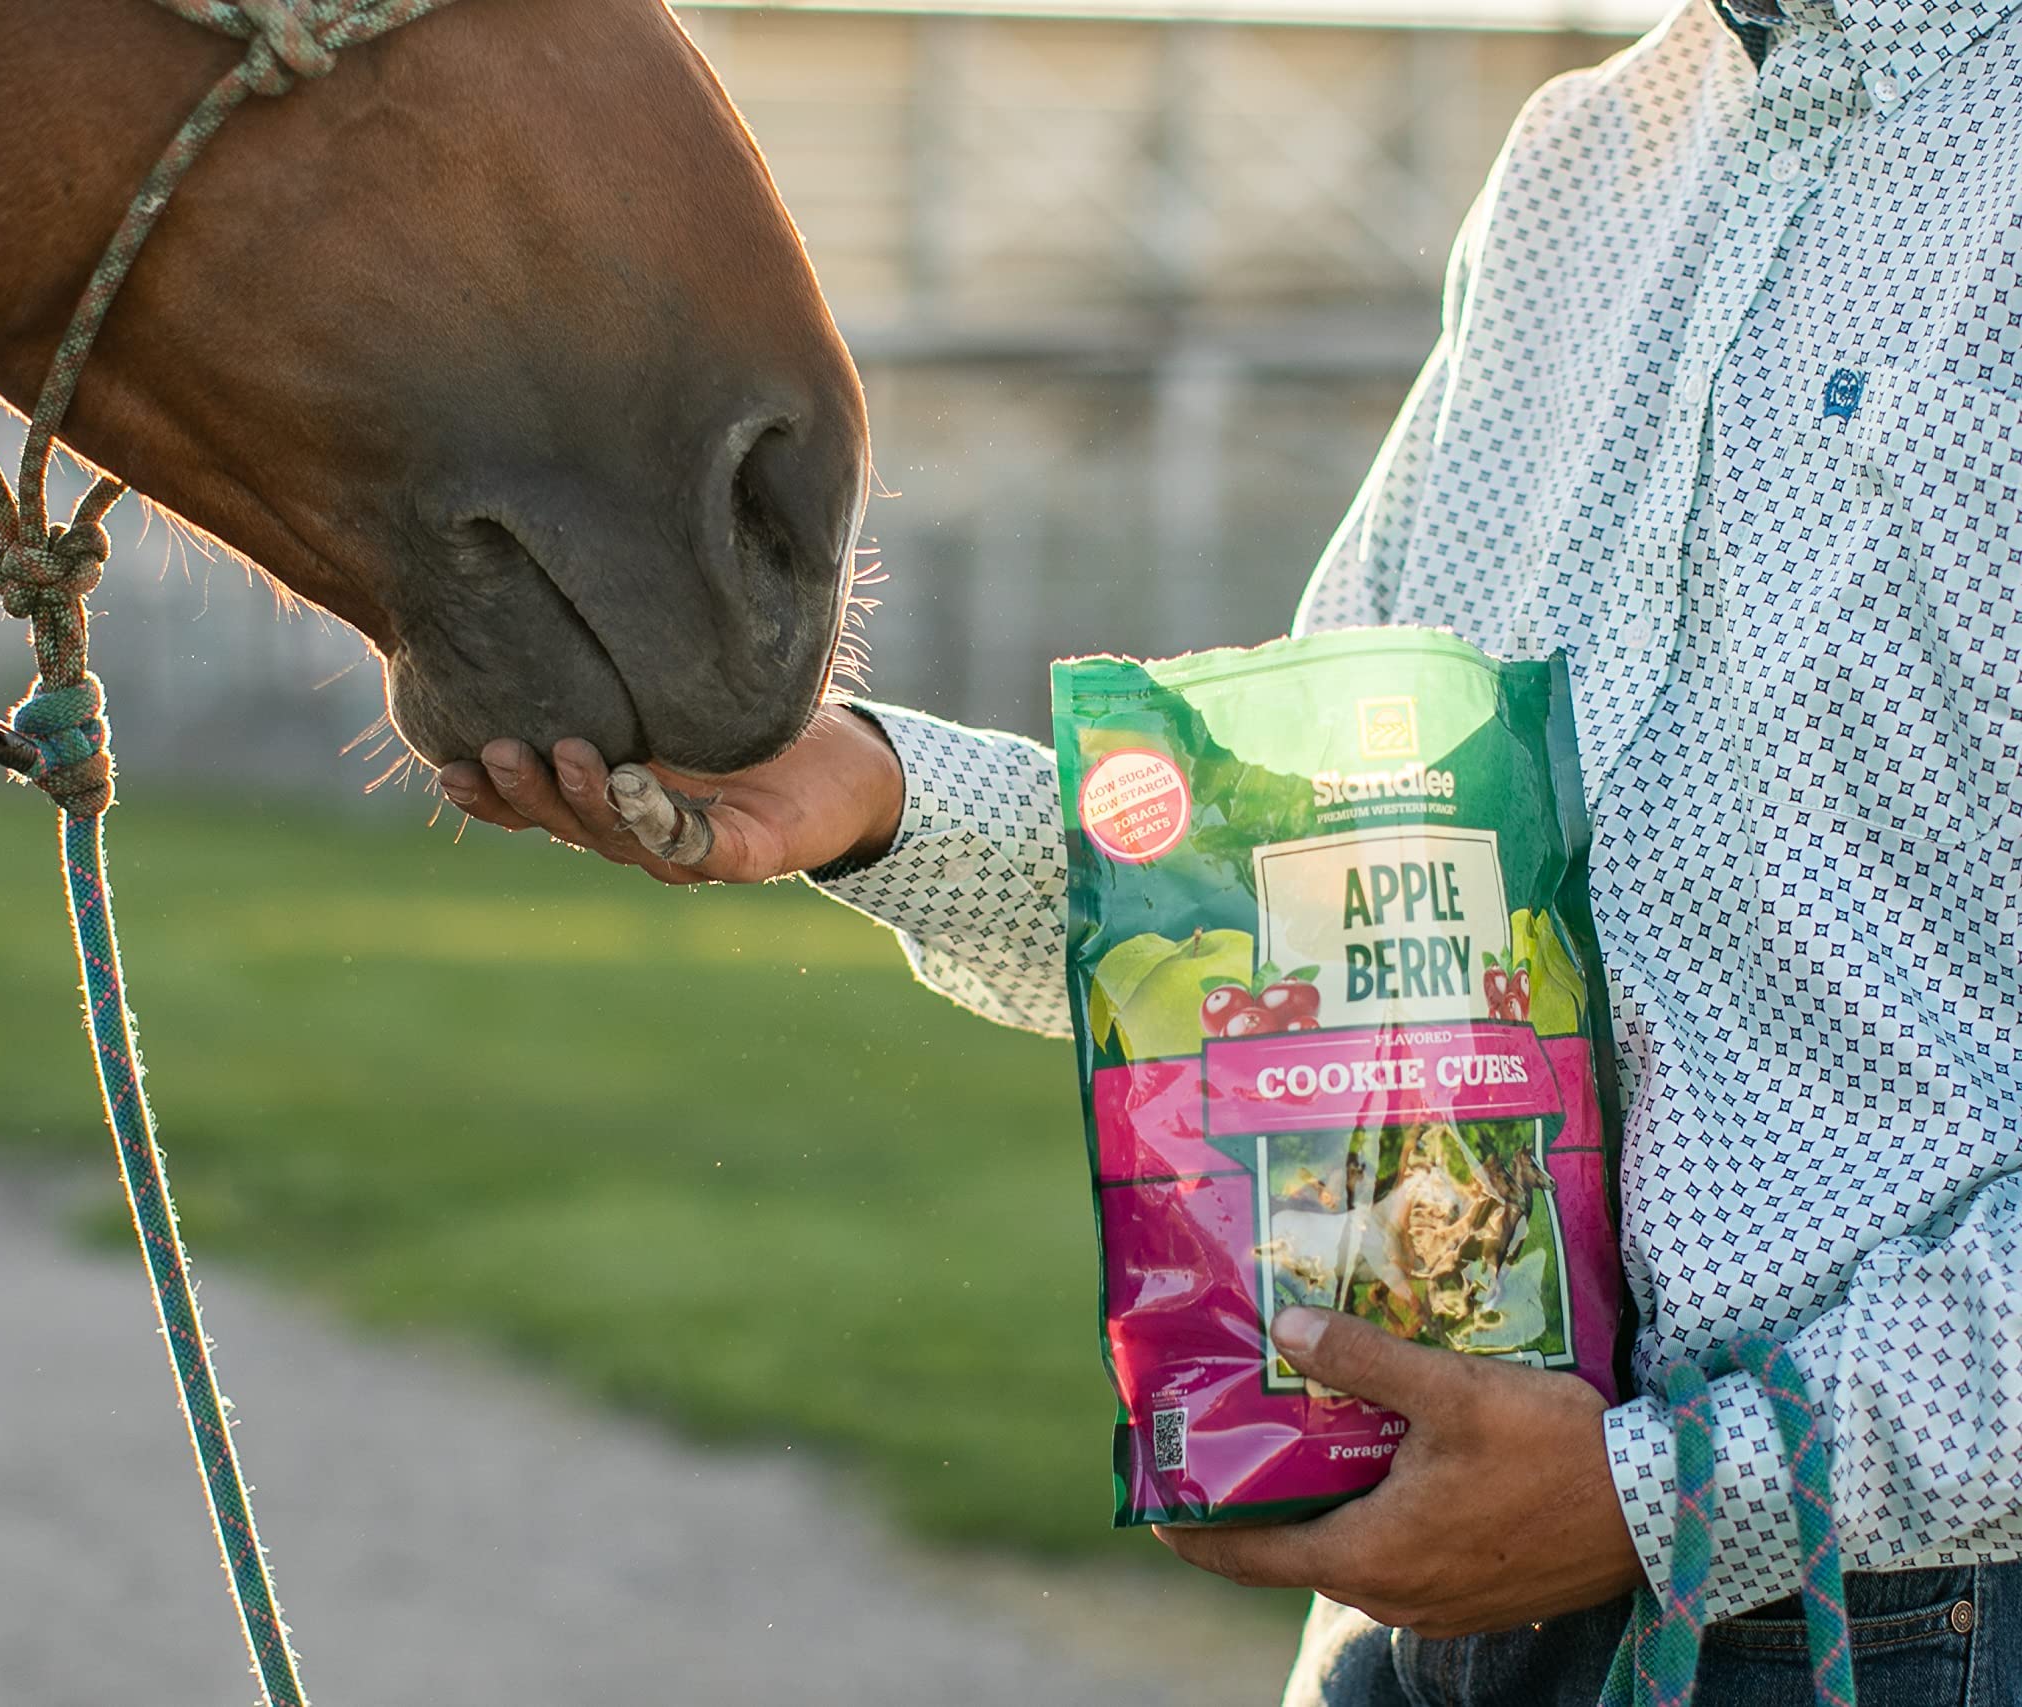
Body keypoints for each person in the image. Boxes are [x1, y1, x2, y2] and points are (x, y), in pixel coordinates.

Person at [436, 1, 2022, 1700]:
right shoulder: (1588, 160)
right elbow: (1321, 882)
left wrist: (1682, 1498)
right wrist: (878, 797)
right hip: (1417, 1584)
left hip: (1893, 1624)